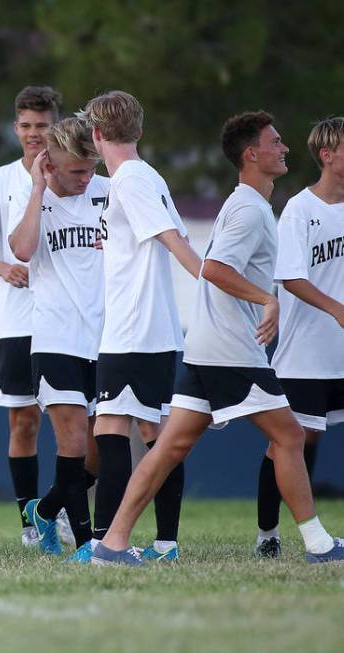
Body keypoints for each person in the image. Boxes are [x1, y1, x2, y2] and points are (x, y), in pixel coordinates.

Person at [93, 111, 344, 566]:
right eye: (276, 141)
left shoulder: (249, 204)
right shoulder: (248, 209)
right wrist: (268, 302)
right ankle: (319, 544)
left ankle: (111, 543)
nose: (285, 148)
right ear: (252, 154)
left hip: (208, 344)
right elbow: (215, 269)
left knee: (171, 447)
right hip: (229, 347)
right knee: (289, 437)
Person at [76, 91, 202, 561]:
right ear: (139, 131)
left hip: (135, 331)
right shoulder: (145, 176)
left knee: (121, 431)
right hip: (142, 330)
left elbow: (173, 241)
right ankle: (152, 541)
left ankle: (107, 542)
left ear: (96, 134)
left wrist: (215, 288)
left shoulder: (129, 180)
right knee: (150, 434)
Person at [0, 86, 76, 546]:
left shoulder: (77, 178)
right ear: (16, 128)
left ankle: (64, 507)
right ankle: (30, 523)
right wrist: (4, 267)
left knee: (74, 425)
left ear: (57, 126)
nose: (33, 134)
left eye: (42, 126)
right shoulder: (0, 181)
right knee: (23, 420)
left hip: (67, 320)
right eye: (26, 126)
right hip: (17, 322)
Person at [9, 117, 108, 562]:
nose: (85, 179)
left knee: (101, 449)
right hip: (55, 338)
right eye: (76, 172)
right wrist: (36, 189)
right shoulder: (38, 199)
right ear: (50, 164)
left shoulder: (108, 192)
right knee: (72, 443)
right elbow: (22, 250)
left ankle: (46, 510)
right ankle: (88, 544)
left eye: (90, 170)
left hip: (107, 338)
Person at [256, 116, 344, 557]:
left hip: (340, 353)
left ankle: (316, 536)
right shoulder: (300, 209)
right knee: (290, 442)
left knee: (312, 439)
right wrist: (337, 309)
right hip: (304, 354)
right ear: (328, 156)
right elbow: (290, 277)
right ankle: (268, 535)